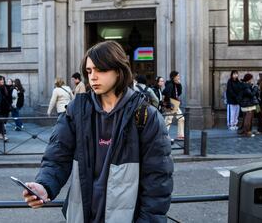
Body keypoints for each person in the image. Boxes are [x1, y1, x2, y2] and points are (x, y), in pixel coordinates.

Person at [23, 41, 173, 222]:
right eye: (89, 71)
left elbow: (157, 183)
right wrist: (44, 186)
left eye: (100, 70)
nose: (93, 76)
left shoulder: (146, 116)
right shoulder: (75, 110)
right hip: (81, 215)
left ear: (118, 70)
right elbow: (57, 156)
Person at [162, 71, 185, 141]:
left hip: (175, 103)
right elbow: (165, 93)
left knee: (181, 118)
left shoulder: (175, 84)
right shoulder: (170, 84)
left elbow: (179, 93)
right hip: (171, 103)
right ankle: (164, 136)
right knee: (168, 120)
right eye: (177, 76)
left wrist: (179, 84)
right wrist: (168, 104)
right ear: (174, 77)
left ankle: (180, 135)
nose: (179, 77)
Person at [0, 75, 11, 142]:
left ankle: (0, 134)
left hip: (6, 108)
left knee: (4, 122)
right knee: (1, 122)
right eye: (1, 79)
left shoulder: (5, 87)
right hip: (0, 108)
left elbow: (8, 97)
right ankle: (3, 135)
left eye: (3, 79)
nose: (2, 81)